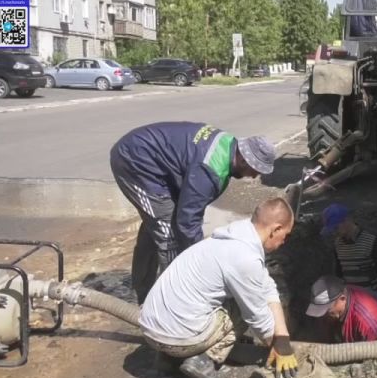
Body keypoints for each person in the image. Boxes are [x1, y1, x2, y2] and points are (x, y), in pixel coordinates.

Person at [138, 197, 298, 378]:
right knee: (241, 308)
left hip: (151, 330)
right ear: (276, 229)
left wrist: (282, 336)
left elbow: (267, 287)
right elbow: (258, 316)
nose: (284, 242)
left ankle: (166, 361)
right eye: (285, 235)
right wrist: (280, 348)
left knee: (240, 297)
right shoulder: (245, 259)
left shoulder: (232, 239)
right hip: (178, 339)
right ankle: (205, 360)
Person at [110, 121, 276, 303]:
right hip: (136, 163)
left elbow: (190, 210)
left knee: (156, 226)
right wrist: (200, 265)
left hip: (155, 162)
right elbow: (187, 221)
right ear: (244, 159)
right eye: (255, 170)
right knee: (168, 236)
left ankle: (144, 292)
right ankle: (168, 305)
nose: (254, 176)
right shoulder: (210, 170)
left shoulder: (229, 144)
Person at [321, 203, 377, 306]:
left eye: (336, 228)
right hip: (353, 303)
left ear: (346, 221)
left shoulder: (372, 240)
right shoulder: (338, 245)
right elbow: (339, 273)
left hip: (374, 301)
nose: (334, 232)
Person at [305, 275, 377, 343]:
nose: (323, 316)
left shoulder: (367, 319)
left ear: (342, 299)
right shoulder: (332, 311)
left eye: (326, 310)